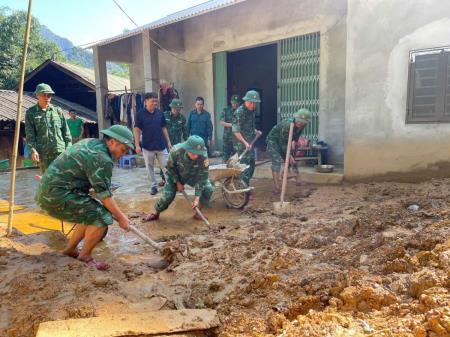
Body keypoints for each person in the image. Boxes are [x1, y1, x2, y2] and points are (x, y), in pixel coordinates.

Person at [35, 125, 134, 271]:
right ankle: (85, 256)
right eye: (123, 150)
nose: (123, 154)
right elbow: (105, 197)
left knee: (89, 212)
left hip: (49, 192)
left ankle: (70, 250)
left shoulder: (91, 142)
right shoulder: (102, 159)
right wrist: (122, 218)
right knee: (102, 217)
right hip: (56, 196)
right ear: (112, 142)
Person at [143, 135, 213, 222]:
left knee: (208, 188)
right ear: (187, 149)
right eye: (193, 153)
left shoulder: (203, 155)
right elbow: (170, 168)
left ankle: (198, 213)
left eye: (197, 154)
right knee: (168, 196)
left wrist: (197, 198)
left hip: (193, 175)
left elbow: (202, 177)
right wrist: (177, 182)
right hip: (176, 175)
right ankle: (156, 213)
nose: (195, 156)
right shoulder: (176, 151)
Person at [25, 83, 72, 173]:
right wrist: (33, 150)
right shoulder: (31, 113)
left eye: (49, 95)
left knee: (63, 179)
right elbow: (30, 134)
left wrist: (68, 149)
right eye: (44, 95)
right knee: (47, 180)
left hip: (60, 152)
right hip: (43, 154)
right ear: (37, 95)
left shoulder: (57, 110)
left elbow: (66, 132)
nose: (47, 97)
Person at [134, 92, 172, 195]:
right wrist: (137, 145)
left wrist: (168, 142)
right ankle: (153, 186)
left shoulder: (160, 113)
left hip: (161, 145)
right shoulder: (140, 114)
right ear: (146, 102)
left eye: (156, 101)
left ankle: (170, 187)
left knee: (167, 166)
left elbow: (164, 128)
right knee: (149, 168)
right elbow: (136, 129)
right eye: (152, 101)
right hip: (147, 146)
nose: (155, 103)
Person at [266, 109, 312, 194]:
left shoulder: (302, 125)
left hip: (285, 141)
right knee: (277, 161)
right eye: (299, 121)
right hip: (273, 140)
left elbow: (295, 138)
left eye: (303, 122)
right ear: (296, 118)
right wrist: (289, 155)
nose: (300, 123)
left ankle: (297, 180)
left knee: (293, 159)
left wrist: (293, 150)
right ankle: (276, 187)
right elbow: (283, 143)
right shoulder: (288, 125)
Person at [232, 90, 262, 189]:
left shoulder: (251, 111)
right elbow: (236, 131)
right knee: (245, 166)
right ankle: (242, 190)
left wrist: (255, 131)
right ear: (246, 101)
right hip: (241, 143)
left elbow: (249, 126)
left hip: (249, 142)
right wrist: (245, 143)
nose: (253, 105)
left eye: (255, 103)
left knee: (252, 164)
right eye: (251, 103)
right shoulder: (239, 112)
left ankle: (244, 185)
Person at [159, 98, 188, 186]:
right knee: (164, 161)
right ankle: (164, 179)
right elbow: (160, 128)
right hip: (165, 143)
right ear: (171, 108)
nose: (177, 111)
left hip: (177, 144)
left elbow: (185, 131)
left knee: (176, 162)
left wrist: (187, 143)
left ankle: (176, 180)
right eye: (175, 109)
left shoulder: (182, 118)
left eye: (179, 109)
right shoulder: (164, 115)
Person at [220, 94, 240, 162]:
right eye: (234, 103)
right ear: (231, 102)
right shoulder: (226, 110)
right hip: (227, 137)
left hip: (237, 138)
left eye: (237, 103)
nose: (235, 105)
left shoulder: (241, 112)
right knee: (225, 156)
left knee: (237, 157)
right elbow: (222, 122)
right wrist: (233, 125)